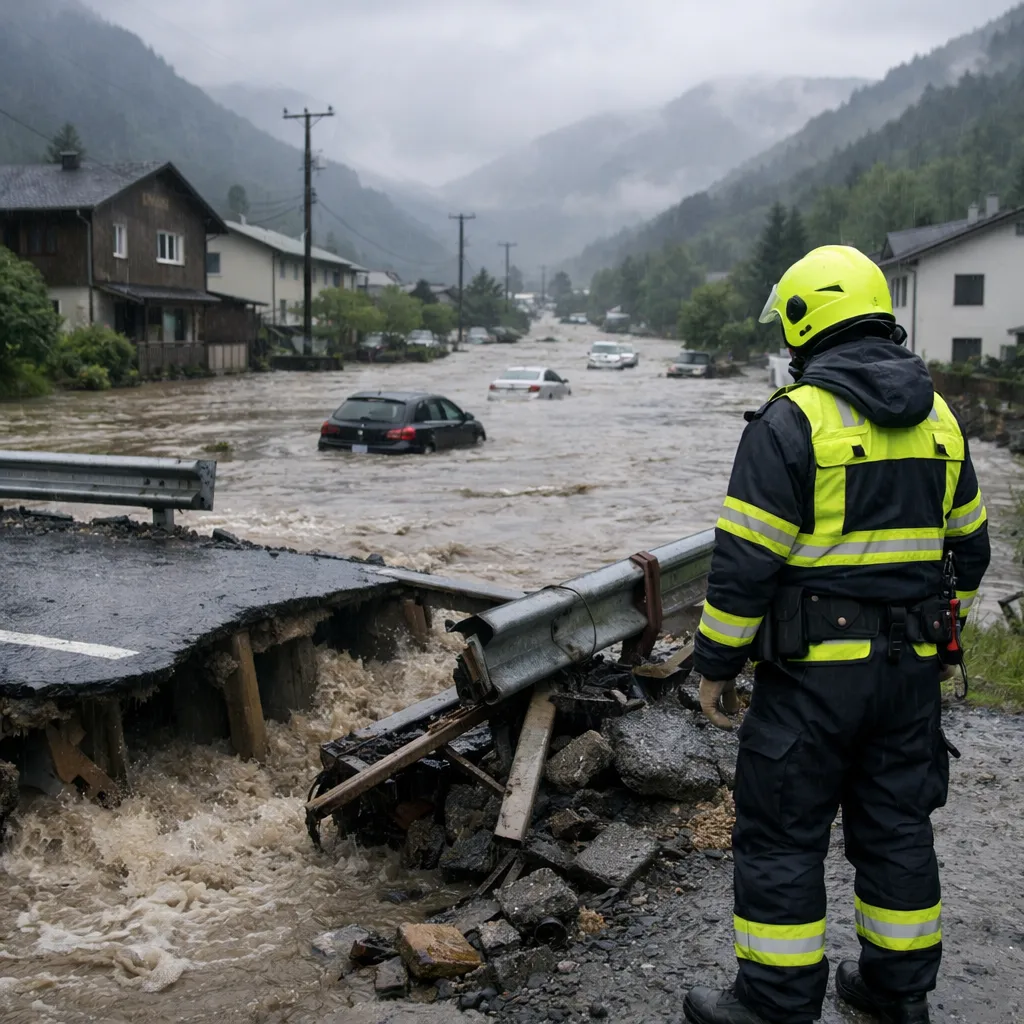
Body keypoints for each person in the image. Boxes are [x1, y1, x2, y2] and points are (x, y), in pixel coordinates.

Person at [682, 245, 990, 1024]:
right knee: (895, 828)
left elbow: (743, 569)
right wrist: (932, 630)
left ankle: (776, 1005)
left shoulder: (790, 424)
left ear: (803, 320)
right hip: (910, 678)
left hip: (810, 686)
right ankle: (897, 994)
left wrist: (714, 667)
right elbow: (973, 550)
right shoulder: (941, 419)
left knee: (783, 837)